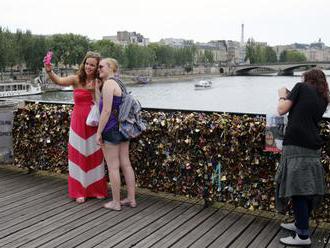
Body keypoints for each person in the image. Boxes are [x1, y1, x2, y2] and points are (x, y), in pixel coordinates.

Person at [44, 51, 108, 203]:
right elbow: (58, 81)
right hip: (78, 121)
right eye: (87, 63)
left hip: (93, 122)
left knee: (95, 154)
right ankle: (79, 191)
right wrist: (49, 71)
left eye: (92, 65)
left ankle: (96, 189)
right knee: (78, 154)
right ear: (83, 63)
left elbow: (109, 97)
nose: (89, 67)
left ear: (97, 67)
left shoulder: (100, 81)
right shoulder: (76, 78)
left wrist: (97, 88)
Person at [275, 68, 329, 246]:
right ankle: (299, 224)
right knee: (305, 189)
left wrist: (283, 95)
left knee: (297, 190)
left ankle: (303, 236)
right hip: (312, 148)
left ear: (308, 78)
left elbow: (281, 110)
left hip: (296, 145)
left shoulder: (301, 87)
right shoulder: (323, 98)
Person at [96, 58, 136, 211]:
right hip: (124, 129)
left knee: (113, 167)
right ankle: (131, 199)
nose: (98, 69)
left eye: (101, 67)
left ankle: (116, 202)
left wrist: (98, 132)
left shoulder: (108, 85)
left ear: (111, 67)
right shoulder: (120, 84)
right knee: (126, 163)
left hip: (111, 129)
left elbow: (106, 111)